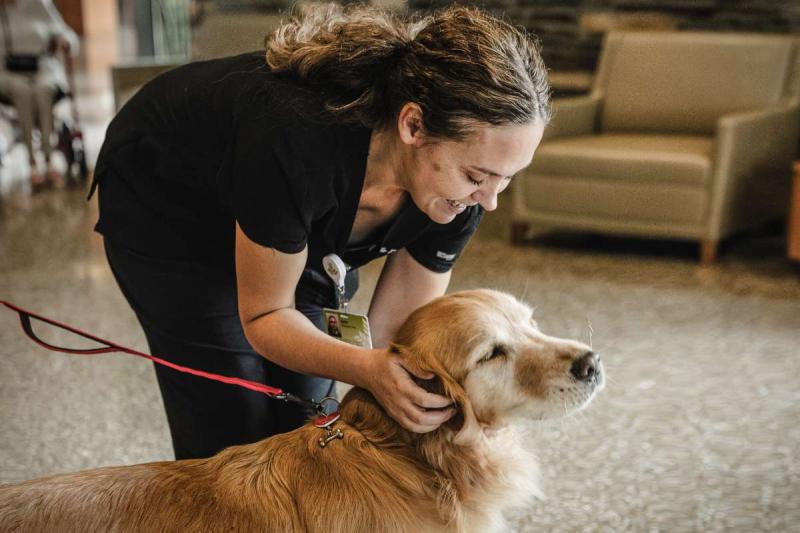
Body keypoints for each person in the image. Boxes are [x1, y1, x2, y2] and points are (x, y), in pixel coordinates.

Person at [89, 3, 551, 460]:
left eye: (506, 178)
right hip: (169, 208)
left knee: (314, 421)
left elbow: (401, 338)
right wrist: (368, 368)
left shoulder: (463, 192)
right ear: (413, 125)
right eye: (477, 176)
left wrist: (393, 378)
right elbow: (266, 316)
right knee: (233, 429)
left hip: (286, 218)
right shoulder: (296, 140)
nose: (489, 201)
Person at [0, 0, 78, 189]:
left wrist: (65, 41)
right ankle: (31, 159)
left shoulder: (40, 4)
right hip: (7, 71)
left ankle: (48, 153)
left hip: (43, 68)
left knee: (44, 91)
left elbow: (68, 34)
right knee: (23, 92)